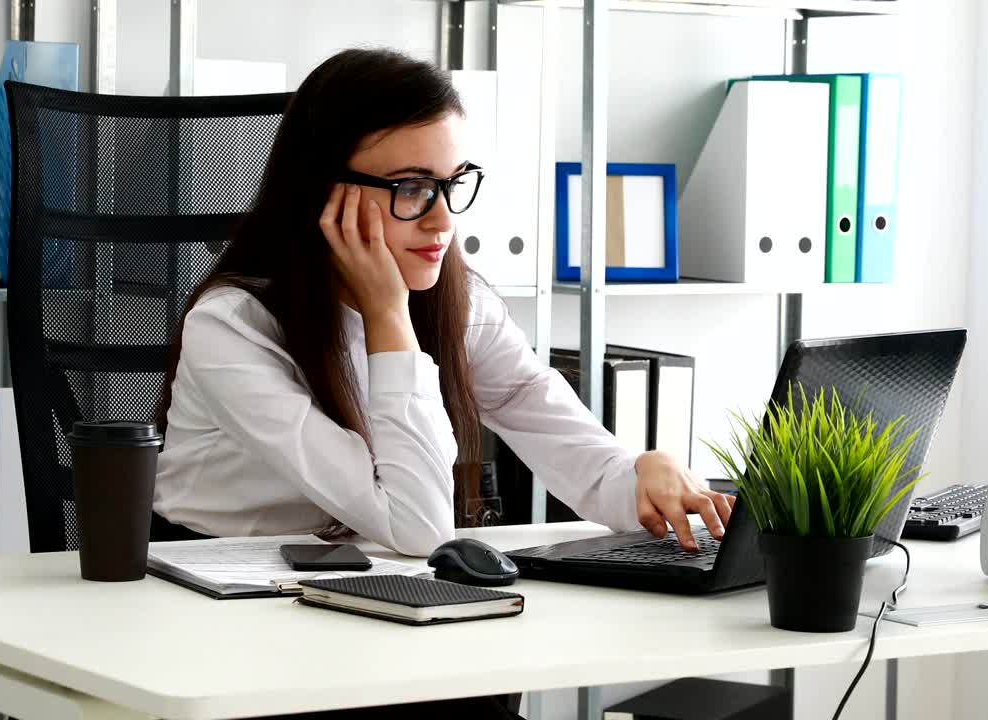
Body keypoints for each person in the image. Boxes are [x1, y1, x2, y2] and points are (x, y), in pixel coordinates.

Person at [151, 44, 734, 720]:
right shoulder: (234, 326)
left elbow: (543, 422)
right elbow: (420, 525)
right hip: (224, 619)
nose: (443, 220)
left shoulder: (461, 301)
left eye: (452, 182)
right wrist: (388, 317)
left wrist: (640, 472)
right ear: (322, 192)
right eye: (409, 187)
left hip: (373, 595)